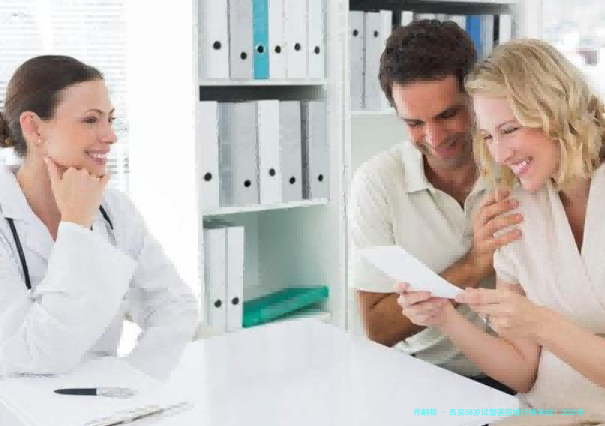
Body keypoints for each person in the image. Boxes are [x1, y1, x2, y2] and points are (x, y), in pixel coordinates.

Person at [397, 39, 605, 419]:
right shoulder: (516, 207)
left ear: (555, 112)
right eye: (489, 136)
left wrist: (541, 323)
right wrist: (445, 318)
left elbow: (541, 328)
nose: (499, 154)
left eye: (509, 129)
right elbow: (523, 372)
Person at [348, 19, 521, 392]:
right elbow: (377, 329)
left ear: (475, 97)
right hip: (422, 375)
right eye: (414, 123)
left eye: (447, 115)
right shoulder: (377, 183)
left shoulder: (517, 164)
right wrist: (473, 264)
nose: (434, 137)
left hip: (520, 373)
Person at [0, 55, 199, 378]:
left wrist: (133, 380)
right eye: (91, 120)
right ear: (34, 128)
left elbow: (175, 307)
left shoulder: (114, 210)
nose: (110, 136)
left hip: (103, 399)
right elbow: (38, 354)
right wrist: (75, 226)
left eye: (110, 119)